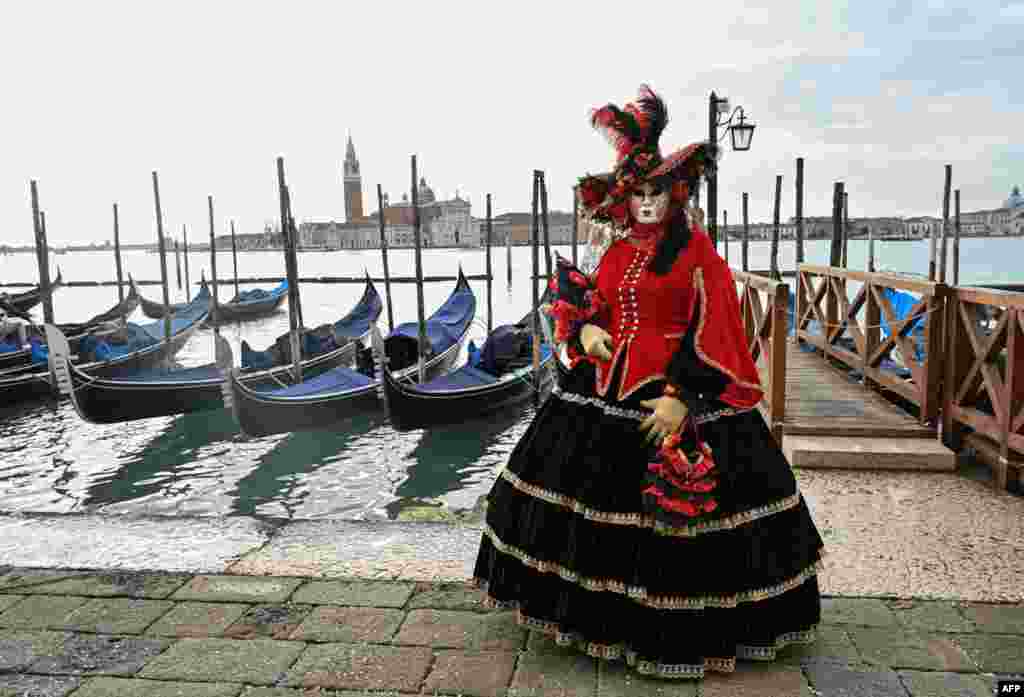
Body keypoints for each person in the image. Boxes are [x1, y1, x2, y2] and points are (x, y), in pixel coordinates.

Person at [472, 85, 825, 680]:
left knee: (680, 530)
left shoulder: (697, 255)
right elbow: (590, 306)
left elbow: (718, 332)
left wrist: (682, 397)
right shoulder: (614, 253)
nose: (645, 202)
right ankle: (593, 622)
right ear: (622, 197)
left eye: (656, 191)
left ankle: (677, 632)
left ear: (674, 194)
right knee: (588, 511)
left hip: (679, 398)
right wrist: (583, 333)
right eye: (636, 193)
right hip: (602, 392)